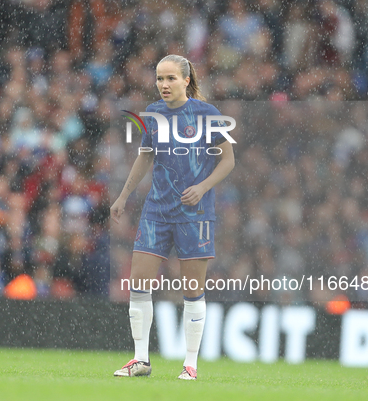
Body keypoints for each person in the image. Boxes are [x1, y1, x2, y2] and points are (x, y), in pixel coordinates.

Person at [111, 55, 235, 380]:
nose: (163, 85)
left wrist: (203, 186)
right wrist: (124, 195)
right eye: (159, 79)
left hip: (195, 213)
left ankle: (190, 364)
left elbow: (228, 161)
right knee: (139, 283)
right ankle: (140, 360)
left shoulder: (207, 114)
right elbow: (145, 156)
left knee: (192, 289)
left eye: (170, 79)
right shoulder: (153, 114)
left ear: (185, 80)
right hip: (157, 210)